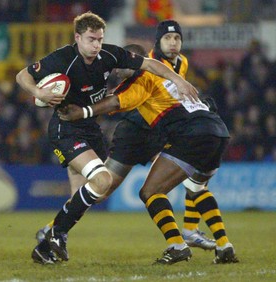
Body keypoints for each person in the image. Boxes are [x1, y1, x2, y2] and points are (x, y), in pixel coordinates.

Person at [16, 11, 198, 264]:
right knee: (102, 180)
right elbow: (22, 75)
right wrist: (38, 91)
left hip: (91, 130)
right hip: (66, 129)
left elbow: (148, 63)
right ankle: (55, 235)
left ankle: (47, 246)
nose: (96, 45)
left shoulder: (109, 55)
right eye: (91, 39)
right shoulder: (62, 58)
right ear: (77, 37)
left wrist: (177, 79)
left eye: (100, 39)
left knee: (85, 195)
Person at [58, 43, 239, 264]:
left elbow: (115, 101)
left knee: (150, 192)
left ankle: (177, 246)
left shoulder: (141, 79)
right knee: (196, 187)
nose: (117, 68)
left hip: (190, 133)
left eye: (122, 64)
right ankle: (223, 246)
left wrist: (82, 111)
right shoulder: (167, 75)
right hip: (217, 131)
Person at [148, 20, 217, 251]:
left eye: (177, 38)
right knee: (151, 191)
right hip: (149, 123)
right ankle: (185, 236)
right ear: (158, 42)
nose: (173, 42)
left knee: (197, 177)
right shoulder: (150, 65)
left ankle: (188, 232)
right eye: (167, 38)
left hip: (176, 127)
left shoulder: (183, 62)